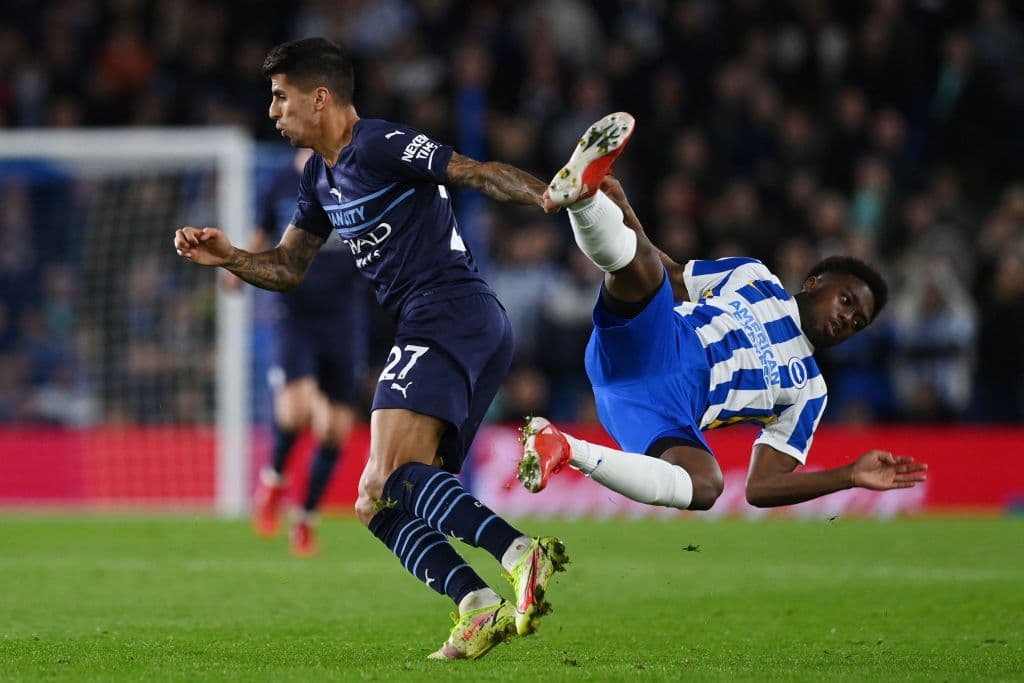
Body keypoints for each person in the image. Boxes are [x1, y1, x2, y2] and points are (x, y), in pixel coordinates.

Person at [174, 37, 567, 660]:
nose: (274, 112)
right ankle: (476, 604)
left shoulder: (379, 144)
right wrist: (229, 257)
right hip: (446, 324)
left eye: (282, 98)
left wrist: (548, 194)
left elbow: (470, 171)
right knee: (376, 499)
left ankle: (521, 553)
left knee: (389, 481)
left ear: (320, 97)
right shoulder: (318, 178)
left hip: (449, 312)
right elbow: (288, 268)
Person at [519, 112, 928, 514]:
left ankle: (565, 447)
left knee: (707, 485)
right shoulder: (754, 276)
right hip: (657, 342)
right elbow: (675, 277)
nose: (848, 319)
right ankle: (584, 199)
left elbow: (761, 487)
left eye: (858, 323)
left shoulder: (810, 392)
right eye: (847, 301)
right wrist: (626, 210)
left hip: (664, 412)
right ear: (815, 282)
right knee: (644, 269)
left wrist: (849, 475)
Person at [224, 148, 369, 557]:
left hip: (344, 315)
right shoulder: (280, 184)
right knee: (296, 409)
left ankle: (305, 519)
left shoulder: (354, 176)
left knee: (334, 430)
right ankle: (273, 481)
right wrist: (240, 268)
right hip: (295, 311)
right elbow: (261, 230)